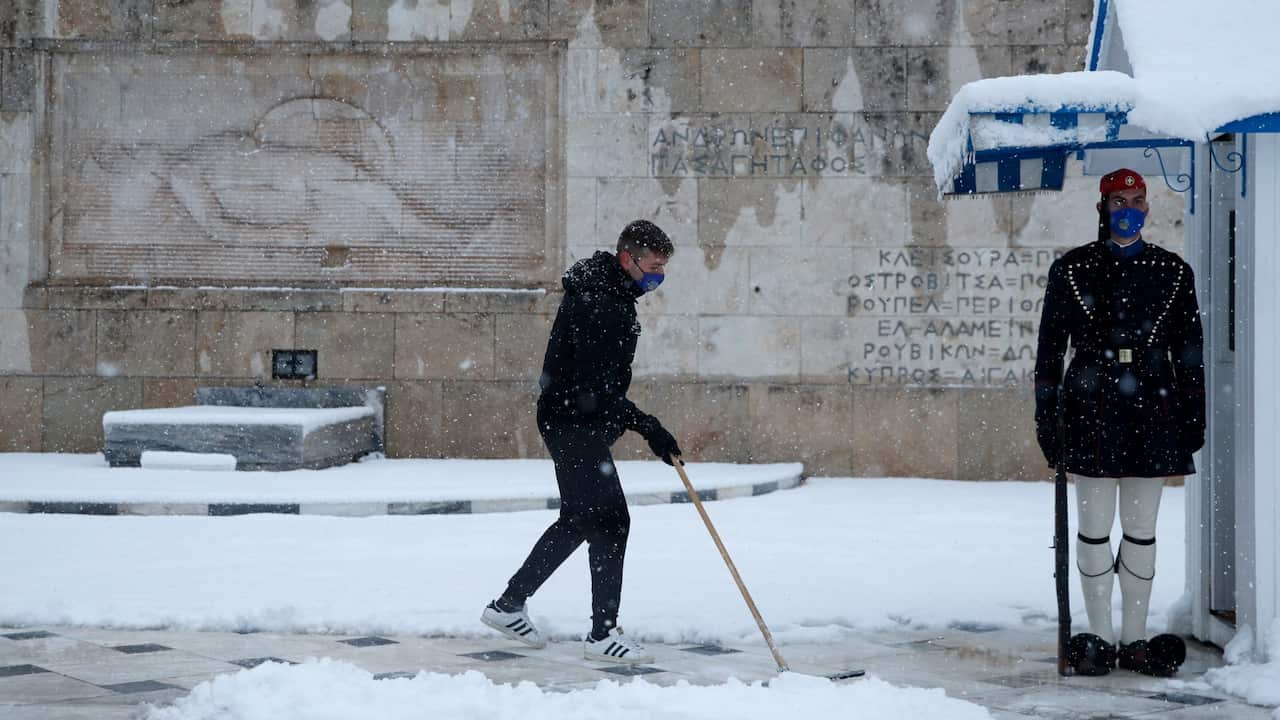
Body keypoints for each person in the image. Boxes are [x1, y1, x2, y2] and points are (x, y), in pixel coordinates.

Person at [480, 219, 683, 664]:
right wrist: (649, 428)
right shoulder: (603, 304)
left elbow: (601, 388)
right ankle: (602, 635)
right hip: (574, 422)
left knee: (579, 519)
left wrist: (640, 425)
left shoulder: (609, 292)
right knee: (612, 523)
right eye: (654, 264)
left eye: (664, 265)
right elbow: (599, 390)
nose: (659, 274)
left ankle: (508, 606)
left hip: (572, 419)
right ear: (628, 259)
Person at [1034, 168, 1205, 677]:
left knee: (1141, 529)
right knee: (1092, 528)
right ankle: (1099, 635)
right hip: (1091, 404)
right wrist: (1048, 416)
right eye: (1118, 201)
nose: (1128, 209)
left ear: (1147, 207)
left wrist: (1192, 415)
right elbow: (1048, 355)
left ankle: (1134, 636)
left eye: (1137, 200)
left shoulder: (1173, 272)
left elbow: (1190, 353)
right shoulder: (1072, 271)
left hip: (1153, 406)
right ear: (1103, 207)